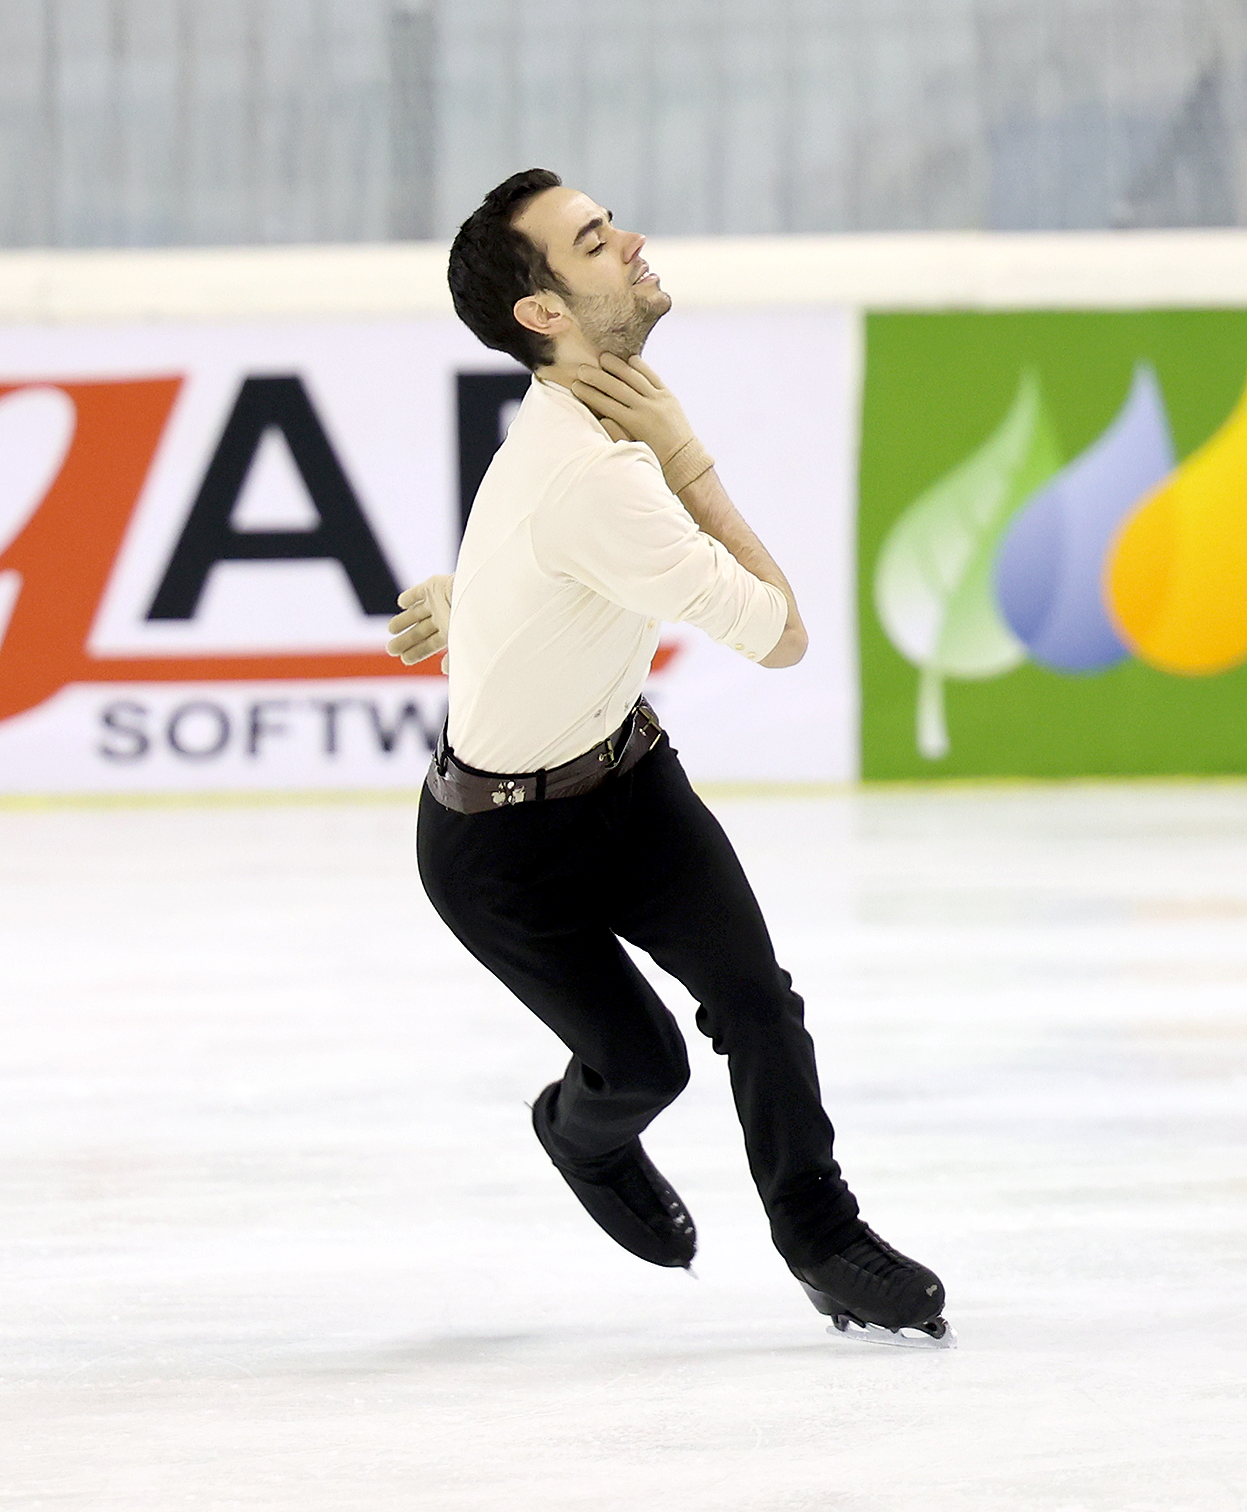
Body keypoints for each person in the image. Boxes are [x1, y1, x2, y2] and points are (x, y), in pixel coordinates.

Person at [386, 169, 951, 1346]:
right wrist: (689, 460)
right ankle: (572, 1132)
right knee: (643, 1069)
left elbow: (534, 571)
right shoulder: (600, 473)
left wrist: (467, 602)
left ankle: (822, 1236)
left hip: (628, 782)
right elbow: (783, 634)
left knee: (757, 1001)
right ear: (543, 312)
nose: (630, 239)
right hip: (499, 854)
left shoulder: (575, 437)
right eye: (595, 241)